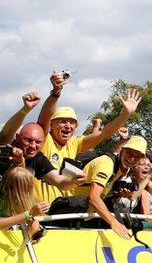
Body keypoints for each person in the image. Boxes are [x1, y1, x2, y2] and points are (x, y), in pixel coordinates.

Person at [34, 72, 142, 204]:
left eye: (72, 122)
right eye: (62, 121)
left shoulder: (75, 143)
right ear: (52, 125)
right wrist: (56, 92)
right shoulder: (43, 140)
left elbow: (104, 134)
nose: (68, 126)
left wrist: (126, 114)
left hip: (56, 214)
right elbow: (43, 121)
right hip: (33, 214)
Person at [68, 136, 148, 239]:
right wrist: (114, 222)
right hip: (70, 210)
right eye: (130, 153)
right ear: (122, 150)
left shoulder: (123, 168)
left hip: (86, 214)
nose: (132, 158)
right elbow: (94, 198)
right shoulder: (107, 164)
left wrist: (119, 193)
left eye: (137, 157)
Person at [0, 167, 49, 240]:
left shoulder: (19, 199)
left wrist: (33, 223)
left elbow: (24, 215)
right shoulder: (2, 199)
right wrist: (29, 213)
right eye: (30, 186)